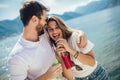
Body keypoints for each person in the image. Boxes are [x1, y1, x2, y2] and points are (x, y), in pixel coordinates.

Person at [7, 1, 63, 80]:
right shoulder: (16, 57)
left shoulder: (45, 34)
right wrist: (46, 76)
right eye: (44, 19)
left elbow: (64, 32)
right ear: (34, 19)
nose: (45, 23)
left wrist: (78, 34)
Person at [46, 16, 110, 80]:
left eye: (57, 27)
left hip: (97, 75)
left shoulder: (75, 37)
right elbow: (70, 78)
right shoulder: (55, 50)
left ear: (61, 27)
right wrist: (61, 58)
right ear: (48, 32)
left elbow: (92, 62)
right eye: (50, 29)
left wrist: (69, 50)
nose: (54, 31)